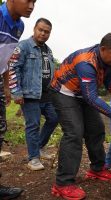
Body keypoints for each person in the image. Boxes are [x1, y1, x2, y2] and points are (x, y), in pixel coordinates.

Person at [49, 33, 111, 200]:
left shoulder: (108, 60)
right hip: (64, 92)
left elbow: (110, 80)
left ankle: (97, 169)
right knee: (74, 133)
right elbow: (91, 98)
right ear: (102, 49)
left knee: (96, 129)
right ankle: (62, 184)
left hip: (82, 93)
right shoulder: (86, 62)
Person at [8, 18, 58, 171]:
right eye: (40, 30)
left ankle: (40, 147)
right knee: (33, 125)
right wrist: (16, 92)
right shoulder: (23, 46)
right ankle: (33, 158)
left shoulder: (48, 50)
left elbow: (51, 72)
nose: (43, 34)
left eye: (46, 32)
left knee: (54, 118)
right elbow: (13, 68)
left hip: (47, 94)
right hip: (30, 94)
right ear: (34, 29)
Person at [0, 0, 35, 198]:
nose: (31, 5)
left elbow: (6, 57)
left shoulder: (19, 26)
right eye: (27, 0)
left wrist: (6, 86)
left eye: (35, 2)